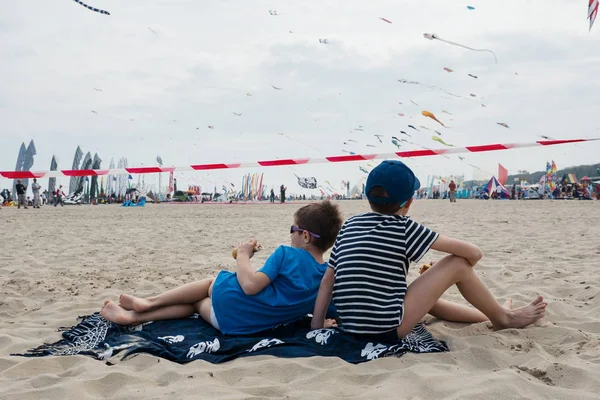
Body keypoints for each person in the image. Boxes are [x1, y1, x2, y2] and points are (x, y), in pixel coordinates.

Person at [311, 160, 547, 338]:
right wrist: (446, 273)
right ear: (408, 202)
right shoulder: (403, 227)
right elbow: (474, 253)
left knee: (425, 296)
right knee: (457, 264)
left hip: (351, 325)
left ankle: (491, 315)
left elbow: (327, 281)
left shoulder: (350, 224)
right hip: (387, 329)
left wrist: (317, 325)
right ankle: (503, 317)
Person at [101, 201, 344, 334]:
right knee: (195, 304)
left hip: (234, 305)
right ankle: (131, 316)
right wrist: (321, 322)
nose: (290, 235)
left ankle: (149, 302)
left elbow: (249, 286)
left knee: (209, 284)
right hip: (242, 327)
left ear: (306, 237)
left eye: (294, 230)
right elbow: (322, 315)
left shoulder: (285, 254)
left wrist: (243, 255)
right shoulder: (327, 276)